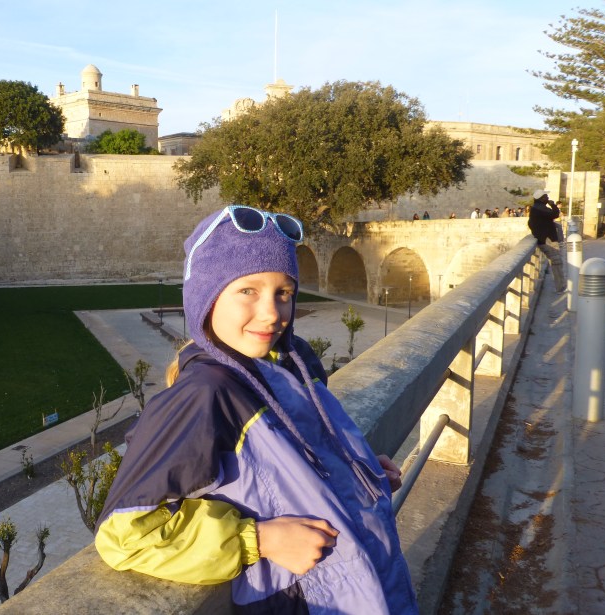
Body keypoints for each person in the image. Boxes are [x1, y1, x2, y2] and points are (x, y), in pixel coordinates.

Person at [95, 205, 419, 614]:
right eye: (248, 290)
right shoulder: (206, 393)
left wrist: (360, 473)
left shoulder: (291, 360)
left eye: (283, 292)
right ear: (207, 299)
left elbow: (292, 467)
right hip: (309, 600)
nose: (272, 312)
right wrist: (259, 539)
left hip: (370, 583)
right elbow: (125, 535)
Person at [528, 190, 566, 293]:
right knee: (557, 262)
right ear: (541, 198)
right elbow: (555, 214)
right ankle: (561, 288)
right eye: (546, 196)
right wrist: (553, 205)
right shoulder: (540, 208)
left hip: (545, 238)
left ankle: (561, 286)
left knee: (556, 262)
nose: (548, 197)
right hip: (547, 240)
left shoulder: (536, 208)